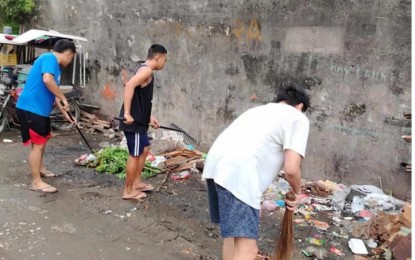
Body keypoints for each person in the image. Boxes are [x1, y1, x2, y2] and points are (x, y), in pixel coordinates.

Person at [202, 85, 311, 260]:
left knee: (232, 236)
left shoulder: (259, 111)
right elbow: (291, 169)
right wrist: (298, 193)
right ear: (300, 106)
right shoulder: (298, 118)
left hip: (215, 167)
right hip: (239, 176)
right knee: (248, 251)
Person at [16, 39, 77, 193]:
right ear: (68, 53)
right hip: (31, 108)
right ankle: (36, 182)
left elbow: (52, 90)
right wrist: (63, 98)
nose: (70, 61)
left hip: (39, 110)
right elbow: (47, 80)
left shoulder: (55, 67)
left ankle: (40, 168)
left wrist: (66, 114)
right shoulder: (49, 58)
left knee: (43, 139)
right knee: (38, 144)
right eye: (72, 58)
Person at [118, 44, 167, 200]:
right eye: (165, 60)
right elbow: (129, 86)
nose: (164, 63)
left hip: (141, 120)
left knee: (145, 148)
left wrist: (149, 116)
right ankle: (128, 191)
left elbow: (141, 97)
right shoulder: (145, 70)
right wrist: (127, 113)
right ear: (158, 57)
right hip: (134, 122)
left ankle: (137, 182)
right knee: (136, 154)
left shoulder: (146, 71)